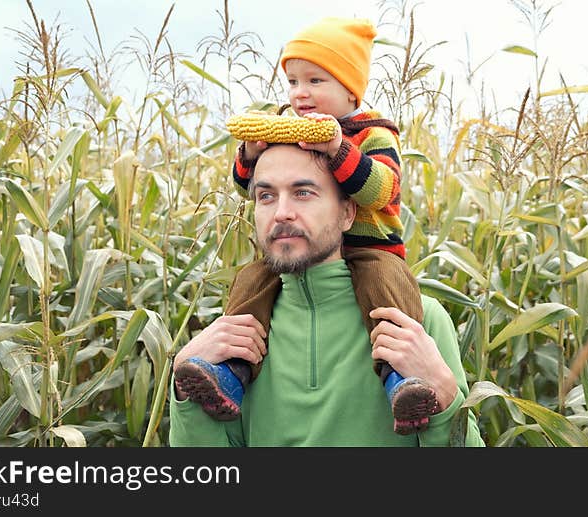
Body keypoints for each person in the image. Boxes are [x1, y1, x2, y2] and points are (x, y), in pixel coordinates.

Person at [174, 17, 437, 435]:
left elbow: (382, 190)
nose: (300, 93)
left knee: (387, 289)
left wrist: (337, 149)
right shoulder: (285, 126)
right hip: (291, 263)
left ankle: (401, 380)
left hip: (372, 250)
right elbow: (245, 181)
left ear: (351, 90)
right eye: (293, 81)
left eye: (315, 80)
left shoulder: (373, 133)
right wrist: (251, 150)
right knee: (250, 280)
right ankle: (231, 373)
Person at [169, 143, 485, 446]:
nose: (281, 213)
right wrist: (184, 379)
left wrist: (443, 390)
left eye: (303, 193)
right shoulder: (238, 331)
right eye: (266, 196)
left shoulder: (416, 320)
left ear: (347, 212)